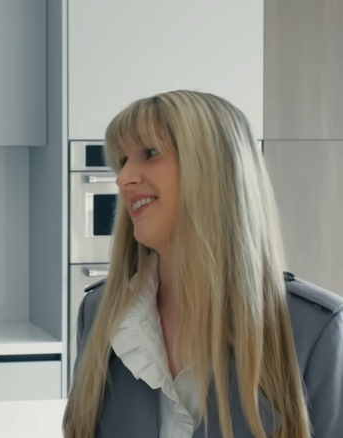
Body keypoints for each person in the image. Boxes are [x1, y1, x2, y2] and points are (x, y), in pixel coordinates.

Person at [63, 90, 343, 438]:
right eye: (122, 162)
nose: (123, 179)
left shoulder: (316, 329)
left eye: (150, 153)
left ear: (215, 168)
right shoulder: (98, 310)